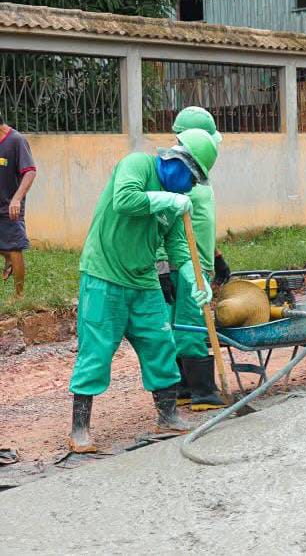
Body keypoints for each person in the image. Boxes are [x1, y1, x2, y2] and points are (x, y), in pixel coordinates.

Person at [67, 128, 219, 452]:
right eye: (192, 178)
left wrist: (196, 279)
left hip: (143, 279)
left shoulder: (178, 204)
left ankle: (167, 415)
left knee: (161, 344)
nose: (192, 186)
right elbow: (124, 200)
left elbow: (179, 246)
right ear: (179, 161)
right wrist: (165, 198)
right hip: (104, 275)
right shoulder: (137, 165)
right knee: (96, 349)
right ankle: (79, 429)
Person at [156, 107, 228, 412]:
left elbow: (200, 223)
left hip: (200, 260)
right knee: (191, 324)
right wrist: (162, 267)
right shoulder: (173, 177)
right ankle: (202, 391)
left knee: (184, 323)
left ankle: (186, 387)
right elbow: (160, 226)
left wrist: (217, 256)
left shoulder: (196, 173)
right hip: (185, 266)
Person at [0, 117, 37, 299]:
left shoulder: (16, 141)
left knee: (14, 247)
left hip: (10, 205)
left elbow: (29, 171)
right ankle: (7, 258)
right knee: (7, 249)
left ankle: (19, 296)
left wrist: (17, 199)